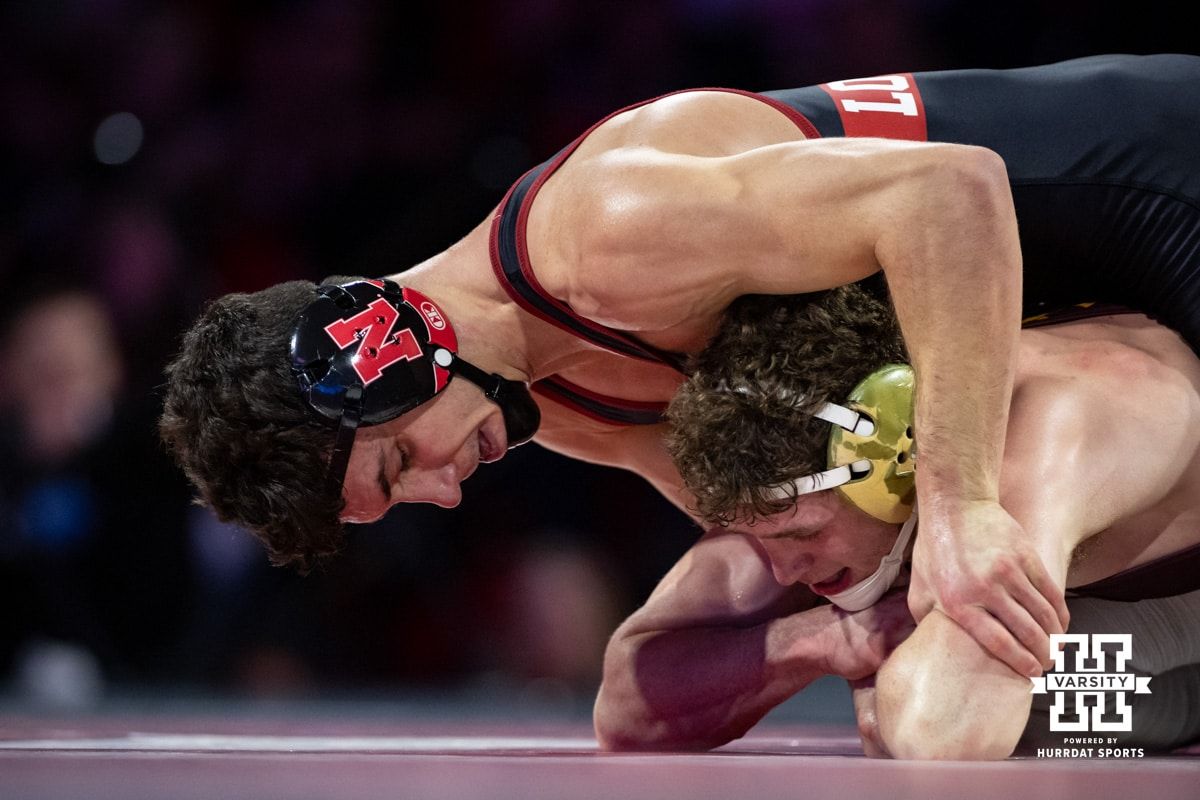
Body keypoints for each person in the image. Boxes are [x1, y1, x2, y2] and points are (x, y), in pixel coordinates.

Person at [161, 54, 1200, 679]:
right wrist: (822, 639)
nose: (442, 491)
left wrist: (961, 499)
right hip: (1076, 292)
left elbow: (954, 194)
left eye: (397, 466)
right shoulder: (557, 402)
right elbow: (782, 533)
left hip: (1158, 180)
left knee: (991, 528)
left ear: (380, 353)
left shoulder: (606, 231)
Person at [593, 285, 1200, 758]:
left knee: (978, 704)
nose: (784, 570)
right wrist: (825, 641)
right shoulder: (818, 459)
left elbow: (943, 732)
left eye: (802, 535)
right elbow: (627, 708)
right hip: (1118, 613)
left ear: (897, 458)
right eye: (763, 538)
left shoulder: (1058, 424)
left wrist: (883, 660)